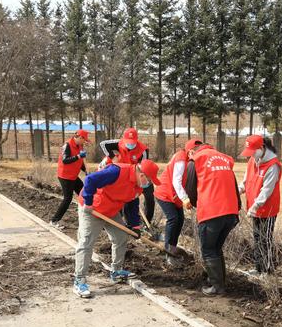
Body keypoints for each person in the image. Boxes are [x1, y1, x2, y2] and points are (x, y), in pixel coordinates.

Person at [73, 159, 161, 298]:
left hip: (111, 210)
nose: (148, 184)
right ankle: (79, 280)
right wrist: (89, 202)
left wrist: (135, 226)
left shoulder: (138, 185)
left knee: (120, 237)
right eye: (149, 180)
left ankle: (116, 271)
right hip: (92, 209)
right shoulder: (117, 172)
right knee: (86, 242)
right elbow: (90, 179)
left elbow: (132, 203)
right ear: (142, 174)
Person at [185, 141, 241, 296]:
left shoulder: (196, 160)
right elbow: (233, 184)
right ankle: (219, 282)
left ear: (191, 151)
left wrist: (197, 205)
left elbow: (190, 189)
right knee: (216, 247)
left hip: (211, 211)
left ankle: (217, 287)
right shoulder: (225, 159)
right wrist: (237, 207)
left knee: (208, 249)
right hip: (231, 211)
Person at [154, 138, 202, 266]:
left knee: (180, 220)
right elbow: (176, 181)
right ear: (190, 151)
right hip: (165, 193)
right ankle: (168, 251)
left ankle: (173, 247)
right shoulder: (181, 158)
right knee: (173, 219)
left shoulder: (190, 160)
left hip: (175, 196)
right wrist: (185, 199)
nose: (197, 154)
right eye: (195, 151)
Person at [239, 135, 282, 276]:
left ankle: (267, 271)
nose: (251, 155)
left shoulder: (273, 165)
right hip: (254, 208)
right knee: (257, 238)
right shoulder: (253, 160)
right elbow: (246, 180)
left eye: (253, 151)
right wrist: (238, 190)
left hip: (267, 209)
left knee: (265, 239)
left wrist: (256, 206)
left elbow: (267, 190)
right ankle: (258, 268)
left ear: (262, 148)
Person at [99, 127, 155, 226]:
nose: (130, 144)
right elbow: (103, 144)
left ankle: (147, 222)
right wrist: (112, 157)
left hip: (137, 174)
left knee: (149, 195)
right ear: (124, 139)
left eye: (133, 142)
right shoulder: (117, 144)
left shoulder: (143, 150)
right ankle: (117, 220)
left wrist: (139, 184)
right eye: (128, 142)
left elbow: (144, 167)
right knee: (122, 196)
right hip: (121, 174)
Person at [50, 129, 90, 229]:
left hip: (73, 176)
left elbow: (80, 162)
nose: (85, 142)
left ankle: (89, 218)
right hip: (65, 176)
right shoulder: (67, 145)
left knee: (84, 193)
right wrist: (78, 156)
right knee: (68, 199)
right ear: (80, 138)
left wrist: (86, 170)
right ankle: (54, 221)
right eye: (84, 140)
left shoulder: (80, 146)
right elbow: (65, 160)